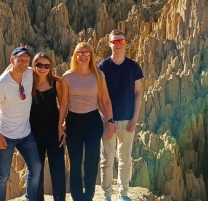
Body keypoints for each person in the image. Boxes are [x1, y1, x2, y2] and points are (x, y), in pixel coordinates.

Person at [58, 42, 115, 201]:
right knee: (75, 163)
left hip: (92, 121)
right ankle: (77, 198)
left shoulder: (98, 75)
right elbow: (63, 103)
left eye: (86, 53)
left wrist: (110, 122)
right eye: (79, 53)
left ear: (91, 55)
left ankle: (88, 197)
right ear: (75, 56)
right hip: (73, 121)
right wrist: (60, 125)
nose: (83, 55)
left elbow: (106, 99)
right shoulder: (67, 77)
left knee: (91, 162)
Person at [0, 47, 41, 201]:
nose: (23, 63)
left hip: (25, 134)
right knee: (3, 175)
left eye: (26, 60)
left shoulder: (30, 73)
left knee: (36, 168)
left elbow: (46, 75)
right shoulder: (1, 83)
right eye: (20, 60)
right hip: (6, 135)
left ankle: (30, 199)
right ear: (12, 60)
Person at [99, 29, 144, 201]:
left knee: (125, 159)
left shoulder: (133, 66)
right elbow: (99, 97)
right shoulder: (102, 67)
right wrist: (107, 119)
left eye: (121, 41)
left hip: (128, 120)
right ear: (109, 43)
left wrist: (135, 118)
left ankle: (123, 194)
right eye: (115, 41)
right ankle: (107, 195)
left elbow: (138, 92)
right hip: (109, 121)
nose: (118, 44)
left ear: (126, 44)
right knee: (107, 160)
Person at [29, 52, 66, 201]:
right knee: (37, 171)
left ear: (51, 67)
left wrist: (61, 126)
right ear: (34, 66)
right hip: (33, 133)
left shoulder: (57, 82)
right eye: (39, 65)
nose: (42, 68)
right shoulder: (28, 82)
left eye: (46, 66)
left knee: (57, 170)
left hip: (53, 132)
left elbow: (63, 104)